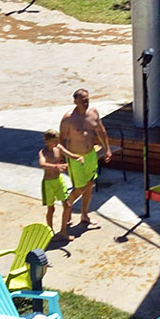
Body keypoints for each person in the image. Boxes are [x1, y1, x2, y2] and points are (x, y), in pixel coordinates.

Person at [58, 90, 109, 231]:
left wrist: (107, 149)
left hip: (90, 155)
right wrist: (62, 158)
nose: (85, 103)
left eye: (87, 99)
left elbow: (101, 131)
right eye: (82, 100)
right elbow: (61, 139)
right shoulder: (68, 118)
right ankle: (67, 204)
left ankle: (84, 215)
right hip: (75, 157)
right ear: (75, 101)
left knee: (89, 186)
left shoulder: (93, 113)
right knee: (80, 188)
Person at [38, 129, 72, 234]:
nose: (57, 143)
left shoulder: (59, 148)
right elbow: (42, 164)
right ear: (48, 141)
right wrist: (57, 166)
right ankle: (50, 232)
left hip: (58, 180)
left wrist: (79, 158)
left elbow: (69, 155)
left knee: (67, 205)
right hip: (48, 183)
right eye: (55, 141)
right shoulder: (43, 152)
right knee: (51, 209)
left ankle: (63, 231)